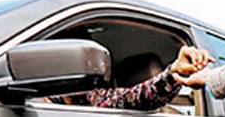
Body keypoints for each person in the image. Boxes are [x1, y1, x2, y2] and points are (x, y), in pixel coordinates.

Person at [54, 45, 211, 111]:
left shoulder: (94, 98)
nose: (91, 68)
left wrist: (174, 72)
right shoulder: (41, 100)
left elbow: (136, 97)